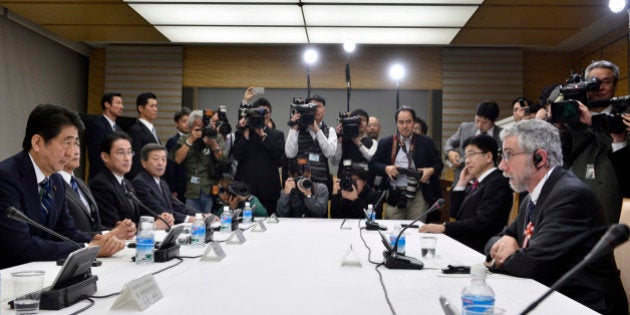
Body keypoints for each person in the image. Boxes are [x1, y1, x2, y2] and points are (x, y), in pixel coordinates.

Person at [485, 119, 627, 315]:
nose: (501, 165)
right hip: (553, 297)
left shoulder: (569, 195)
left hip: (586, 306)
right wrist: (507, 240)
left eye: (509, 155)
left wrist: (502, 256)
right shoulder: (533, 197)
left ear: (540, 158)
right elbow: (495, 240)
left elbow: (530, 266)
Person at [0, 104, 125, 269]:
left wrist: (100, 240)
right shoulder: (6, 177)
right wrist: (87, 249)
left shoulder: (57, 181)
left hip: (43, 272)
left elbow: (66, 233)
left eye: (76, 143)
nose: (72, 152)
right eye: (67, 143)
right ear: (37, 142)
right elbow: (21, 245)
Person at [420, 135, 512, 253]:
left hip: (479, 249)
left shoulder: (497, 182)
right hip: (463, 245)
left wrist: (444, 227)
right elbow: (454, 213)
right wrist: (462, 182)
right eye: (466, 156)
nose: (467, 160)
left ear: (488, 156)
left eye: (472, 154)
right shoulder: (477, 182)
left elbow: (481, 222)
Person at [370, 106, 443, 220]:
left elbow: (439, 164)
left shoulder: (426, 142)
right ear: (397, 124)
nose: (405, 126)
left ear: (414, 122)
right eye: (401, 122)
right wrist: (386, 168)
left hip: (419, 193)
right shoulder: (387, 143)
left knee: (416, 229)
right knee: (392, 229)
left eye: (408, 122)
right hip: (395, 192)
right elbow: (373, 164)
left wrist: (431, 170)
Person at [90, 132, 174, 229]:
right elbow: (113, 226)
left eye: (129, 152)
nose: (127, 158)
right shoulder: (101, 184)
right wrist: (153, 226)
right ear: (105, 157)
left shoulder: (127, 183)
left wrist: (160, 217)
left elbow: (137, 218)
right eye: (121, 153)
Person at [59, 133, 136, 239]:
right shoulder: (52, 185)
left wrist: (116, 230)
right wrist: (113, 233)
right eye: (68, 143)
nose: (76, 151)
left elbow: (95, 226)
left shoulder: (80, 183)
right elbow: (65, 234)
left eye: (77, 144)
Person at [233, 96, 284, 214]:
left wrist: (263, 137)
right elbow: (237, 155)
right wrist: (245, 136)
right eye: (259, 112)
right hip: (245, 191)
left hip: (269, 190)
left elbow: (279, 159)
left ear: (270, 114)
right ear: (252, 113)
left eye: (266, 112)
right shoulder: (243, 131)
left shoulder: (277, 135)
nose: (263, 115)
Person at [170, 109, 227, 213]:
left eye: (204, 127)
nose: (202, 131)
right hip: (192, 190)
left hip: (209, 188)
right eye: (198, 128)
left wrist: (213, 144)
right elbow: (177, 159)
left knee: (210, 222)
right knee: (193, 222)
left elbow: (223, 159)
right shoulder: (185, 138)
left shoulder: (215, 137)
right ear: (191, 127)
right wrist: (190, 140)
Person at [133, 144, 201, 226]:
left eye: (163, 159)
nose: (160, 163)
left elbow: (177, 206)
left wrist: (200, 215)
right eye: (155, 159)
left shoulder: (162, 183)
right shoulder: (140, 183)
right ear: (144, 162)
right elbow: (159, 210)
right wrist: (188, 219)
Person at [285, 94, 337, 190]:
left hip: (321, 185)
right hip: (299, 183)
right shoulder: (297, 129)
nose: (316, 109)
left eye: (319, 106)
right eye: (312, 106)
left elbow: (329, 153)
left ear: (324, 110)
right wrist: (295, 127)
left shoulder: (330, 130)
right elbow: (290, 154)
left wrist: (317, 129)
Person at [444, 100, 502, 185]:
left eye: (484, 122)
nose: (479, 125)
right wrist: (450, 152)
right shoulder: (465, 128)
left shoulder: (502, 135)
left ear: (493, 121)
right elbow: (449, 143)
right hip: (462, 180)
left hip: (490, 184)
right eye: (477, 120)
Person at [85, 92, 124, 179]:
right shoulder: (98, 126)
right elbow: (95, 156)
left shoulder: (119, 129)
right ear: (107, 104)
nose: (121, 107)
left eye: (122, 104)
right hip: (101, 177)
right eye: (118, 103)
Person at [332, 108, 377, 179]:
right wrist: (340, 139)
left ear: (367, 124)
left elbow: (372, 159)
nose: (361, 123)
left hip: (364, 181)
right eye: (358, 120)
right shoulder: (342, 140)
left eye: (364, 120)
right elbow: (335, 162)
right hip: (344, 181)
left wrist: (357, 141)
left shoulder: (372, 142)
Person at [127, 92, 160, 180]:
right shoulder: (136, 130)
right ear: (141, 108)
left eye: (156, 106)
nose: (155, 109)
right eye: (152, 106)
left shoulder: (152, 130)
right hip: (142, 180)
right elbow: (135, 160)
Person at [165, 107, 191, 203]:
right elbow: (170, 167)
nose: (187, 124)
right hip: (179, 186)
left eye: (189, 121)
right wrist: (173, 189)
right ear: (176, 123)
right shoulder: (172, 141)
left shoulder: (195, 139)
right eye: (184, 121)